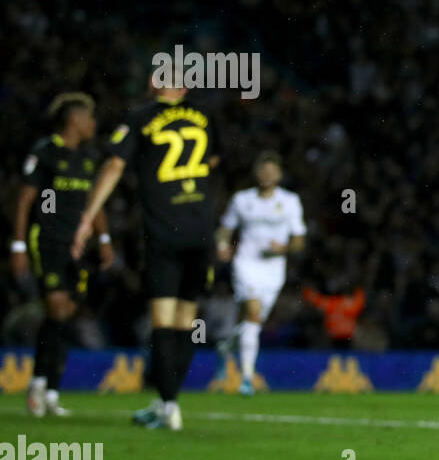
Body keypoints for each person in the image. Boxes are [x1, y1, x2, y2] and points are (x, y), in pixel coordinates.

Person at [72, 85, 221, 431]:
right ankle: (167, 401)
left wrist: (86, 218)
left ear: (157, 82)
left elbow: (113, 165)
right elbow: (213, 162)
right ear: (183, 85)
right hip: (200, 229)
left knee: (163, 321)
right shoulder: (204, 117)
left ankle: (168, 405)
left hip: (164, 230)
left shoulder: (140, 117)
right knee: (187, 320)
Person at [11, 92, 114, 416]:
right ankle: (38, 383)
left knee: (66, 313)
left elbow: (93, 203)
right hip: (49, 240)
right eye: (89, 118)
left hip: (77, 246)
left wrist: (105, 237)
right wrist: (18, 244)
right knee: (56, 306)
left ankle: (51, 389)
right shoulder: (46, 152)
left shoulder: (87, 159)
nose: (93, 124)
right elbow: (26, 200)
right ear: (74, 120)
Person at [214, 151, 307, 395]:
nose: (266, 175)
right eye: (262, 171)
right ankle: (246, 377)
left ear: (279, 175)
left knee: (252, 323)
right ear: (256, 174)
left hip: (274, 270)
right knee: (253, 314)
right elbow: (225, 229)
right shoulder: (242, 200)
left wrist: (284, 248)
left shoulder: (290, 201)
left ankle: (226, 346)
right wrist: (223, 246)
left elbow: (299, 241)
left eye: (271, 171)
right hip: (246, 264)